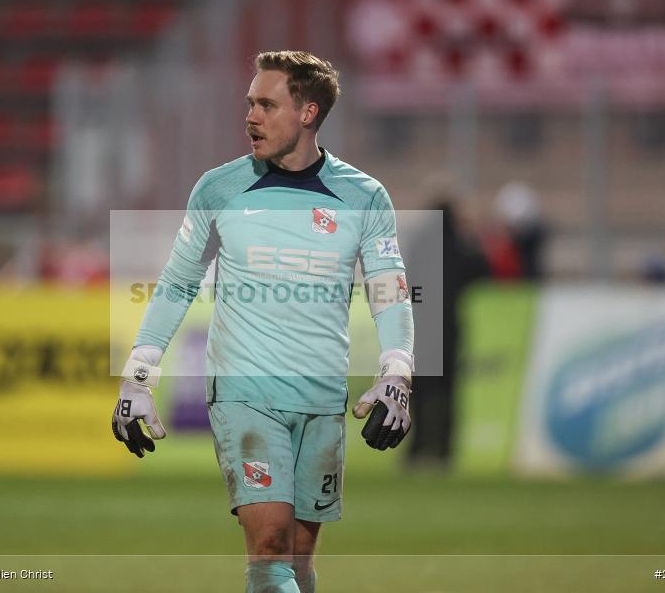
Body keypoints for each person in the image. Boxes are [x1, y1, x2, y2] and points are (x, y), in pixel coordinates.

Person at [111, 51, 414, 593]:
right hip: (243, 393)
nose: (250, 116)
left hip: (321, 396)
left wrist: (397, 373)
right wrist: (138, 374)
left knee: (298, 558)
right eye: (250, 103)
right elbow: (177, 282)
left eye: (266, 104)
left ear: (307, 113)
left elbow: (388, 289)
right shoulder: (218, 189)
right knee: (270, 544)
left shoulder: (365, 196)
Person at [406, 178, 488, 470]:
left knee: (417, 392)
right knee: (447, 392)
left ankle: (415, 450)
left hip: (419, 327)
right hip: (447, 329)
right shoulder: (456, 244)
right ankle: (443, 450)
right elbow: (481, 270)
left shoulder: (419, 241)